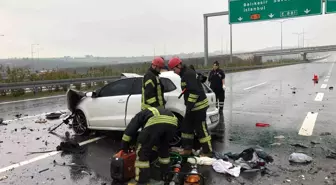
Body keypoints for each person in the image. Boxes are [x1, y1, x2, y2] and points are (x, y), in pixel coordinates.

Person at [120, 107, 178, 185]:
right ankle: (165, 176)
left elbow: (131, 129)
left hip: (156, 122)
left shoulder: (139, 116)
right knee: (163, 149)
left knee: (143, 151)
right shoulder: (150, 112)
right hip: (173, 123)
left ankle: (142, 181)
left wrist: (124, 143)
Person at [168, 57, 212, 157]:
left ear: (179, 65)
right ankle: (187, 149)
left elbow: (194, 92)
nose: (174, 72)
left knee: (201, 129)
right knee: (186, 127)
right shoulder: (185, 73)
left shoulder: (188, 74)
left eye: (174, 70)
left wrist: (189, 106)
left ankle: (207, 151)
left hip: (198, 107)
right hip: (192, 108)